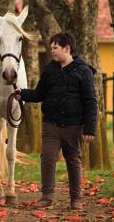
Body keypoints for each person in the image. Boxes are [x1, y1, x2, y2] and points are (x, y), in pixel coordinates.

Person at [15, 32, 97, 210]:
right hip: (51, 125)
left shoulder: (84, 71)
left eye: (55, 47)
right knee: (48, 158)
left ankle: (76, 199)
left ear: (67, 49)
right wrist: (21, 93)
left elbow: (90, 101)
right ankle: (47, 197)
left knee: (73, 160)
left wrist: (89, 129)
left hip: (74, 126)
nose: (51, 51)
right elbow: (39, 94)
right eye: (51, 47)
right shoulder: (50, 69)